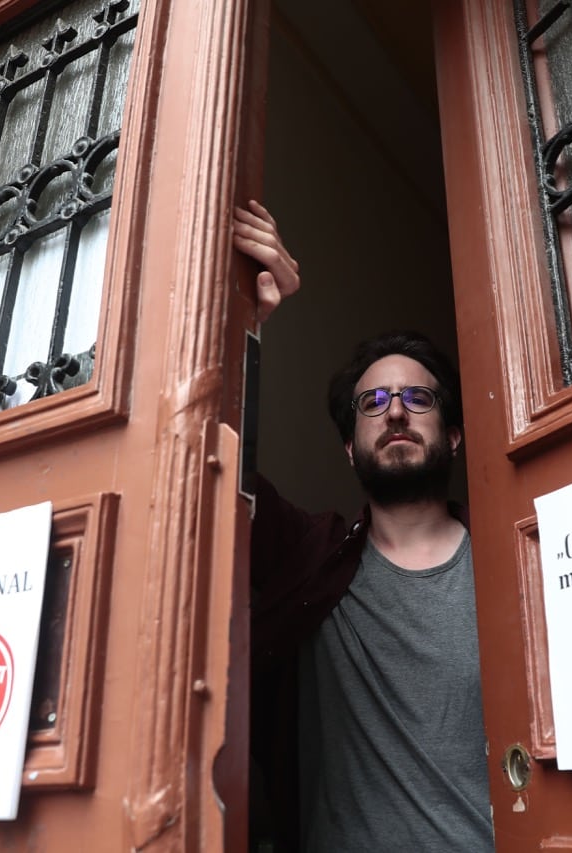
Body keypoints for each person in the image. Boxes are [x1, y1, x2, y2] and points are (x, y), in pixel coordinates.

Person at [233, 201, 494, 852]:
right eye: (372, 403)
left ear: (454, 436)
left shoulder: (510, 566)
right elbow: (215, 458)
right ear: (350, 447)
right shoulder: (313, 560)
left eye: (419, 397)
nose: (396, 411)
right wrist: (248, 322)